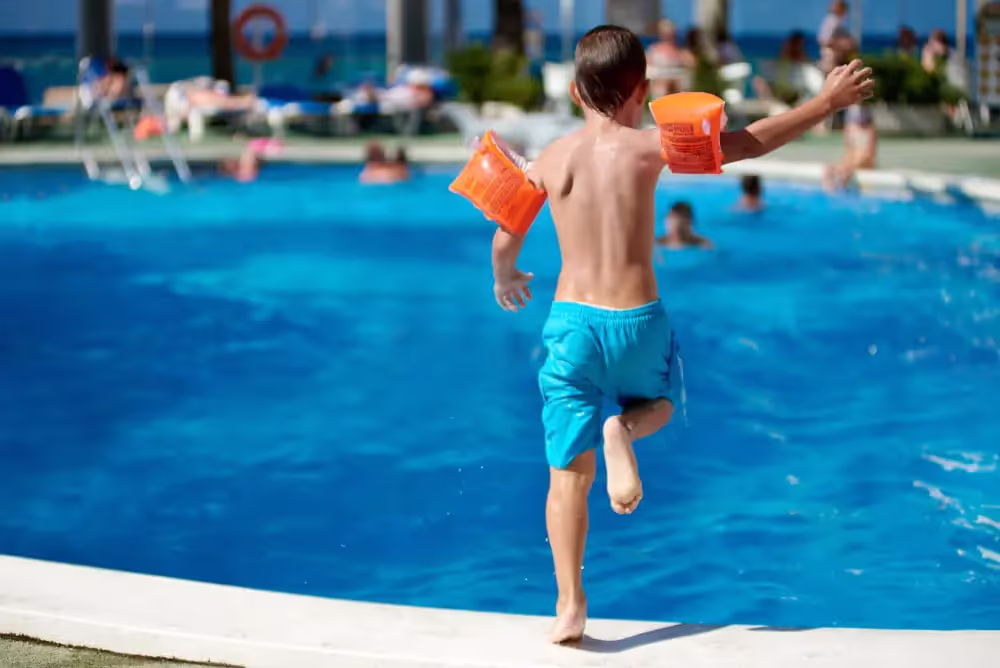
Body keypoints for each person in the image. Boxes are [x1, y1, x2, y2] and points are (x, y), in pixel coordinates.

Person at [486, 25, 873, 644]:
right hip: (637, 319)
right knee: (659, 404)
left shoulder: (552, 159)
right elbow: (749, 142)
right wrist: (825, 103)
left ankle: (569, 605)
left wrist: (506, 276)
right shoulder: (651, 147)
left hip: (572, 326)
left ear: (577, 93)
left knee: (567, 477)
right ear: (642, 91)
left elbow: (506, 234)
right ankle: (624, 430)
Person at [823, 103, 877, 192]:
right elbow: (849, 153)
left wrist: (850, 166)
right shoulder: (850, 129)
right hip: (855, 163)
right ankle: (831, 194)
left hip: (864, 166)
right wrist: (841, 166)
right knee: (828, 169)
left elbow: (869, 157)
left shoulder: (870, 130)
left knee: (844, 171)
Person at [647, 19, 689, 96]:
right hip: (660, 83)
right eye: (665, 33)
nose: (668, 35)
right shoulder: (653, 50)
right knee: (662, 87)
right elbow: (647, 69)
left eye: (670, 32)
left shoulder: (681, 51)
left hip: (677, 84)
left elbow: (691, 66)